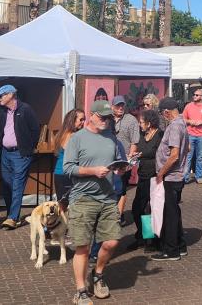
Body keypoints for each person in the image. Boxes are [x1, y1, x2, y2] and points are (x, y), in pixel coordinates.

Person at [64, 100, 124, 304]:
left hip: (108, 197)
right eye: (102, 117)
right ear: (91, 115)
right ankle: (80, 289)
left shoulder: (111, 138)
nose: (106, 121)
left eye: (108, 117)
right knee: (82, 246)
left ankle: (97, 274)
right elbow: (68, 168)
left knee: (112, 241)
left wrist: (122, 168)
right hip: (83, 198)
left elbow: (116, 162)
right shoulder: (77, 139)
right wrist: (93, 171)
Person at [0, 84, 40, 230]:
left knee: (17, 185)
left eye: (1, 96)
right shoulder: (2, 111)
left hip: (20, 154)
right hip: (5, 153)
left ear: (11, 95)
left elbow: (35, 129)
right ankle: (11, 215)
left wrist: (28, 148)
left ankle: (13, 217)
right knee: (7, 185)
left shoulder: (25, 109)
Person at [151, 97, 189, 261]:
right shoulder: (182, 124)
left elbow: (174, 155)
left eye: (162, 113)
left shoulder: (175, 126)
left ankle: (171, 250)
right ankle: (180, 246)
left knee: (169, 214)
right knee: (174, 211)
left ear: (166, 112)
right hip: (175, 175)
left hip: (171, 176)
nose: (162, 116)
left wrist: (161, 173)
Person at [131, 109, 163, 251]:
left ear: (149, 123)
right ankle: (142, 236)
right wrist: (134, 155)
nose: (140, 125)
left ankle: (152, 240)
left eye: (142, 122)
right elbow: (140, 150)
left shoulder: (160, 135)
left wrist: (142, 154)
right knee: (137, 208)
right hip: (143, 175)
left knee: (152, 209)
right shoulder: (142, 135)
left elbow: (159, 153)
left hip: (155, 176)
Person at [111, 96, 140, 222]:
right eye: (118, 105)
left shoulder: (131, 120)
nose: (120, 108)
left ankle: (118, 216)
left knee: (122, 188)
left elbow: (135, 141)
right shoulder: (107, 118)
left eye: (122, 105)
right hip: (108, 160)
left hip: (123, 160)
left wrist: (128, 160)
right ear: (112, 106)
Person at [54, 109, 86, 210]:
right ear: (73, 120)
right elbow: (76, 157)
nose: (83, 122)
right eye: (81, 119)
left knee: (63, 206)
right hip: (66, 175)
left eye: (84, 119)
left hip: (60, 174)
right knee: (70, 208)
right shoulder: (72, 136)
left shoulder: (62, 133)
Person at [181, 89, 202, 184]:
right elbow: (183, 119)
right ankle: (185, 178)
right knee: (188, 156)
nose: (194, 96)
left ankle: (199, 176)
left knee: (200, 157)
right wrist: (190, 121)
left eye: (197, 95)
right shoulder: (188, 106)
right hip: (190, 134)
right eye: (194, 94)